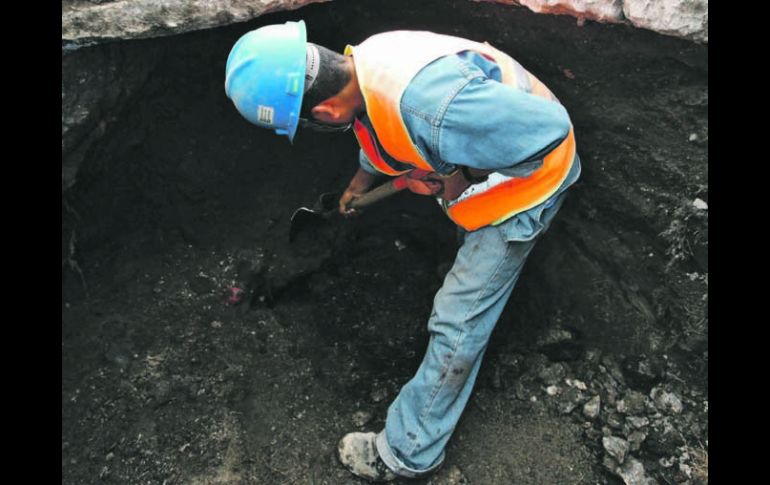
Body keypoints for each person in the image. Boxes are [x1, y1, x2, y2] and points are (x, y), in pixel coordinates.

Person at [224, 20, 581, 482]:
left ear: (326, 112)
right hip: (485, 129)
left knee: (457, 320)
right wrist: (361, 182)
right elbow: (381, 123)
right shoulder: (366, 64)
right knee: (458, 229)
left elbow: (548, 131)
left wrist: (460, 175)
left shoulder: (431, 109)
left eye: (307, 122)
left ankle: (409, 452)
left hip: (527, 182)